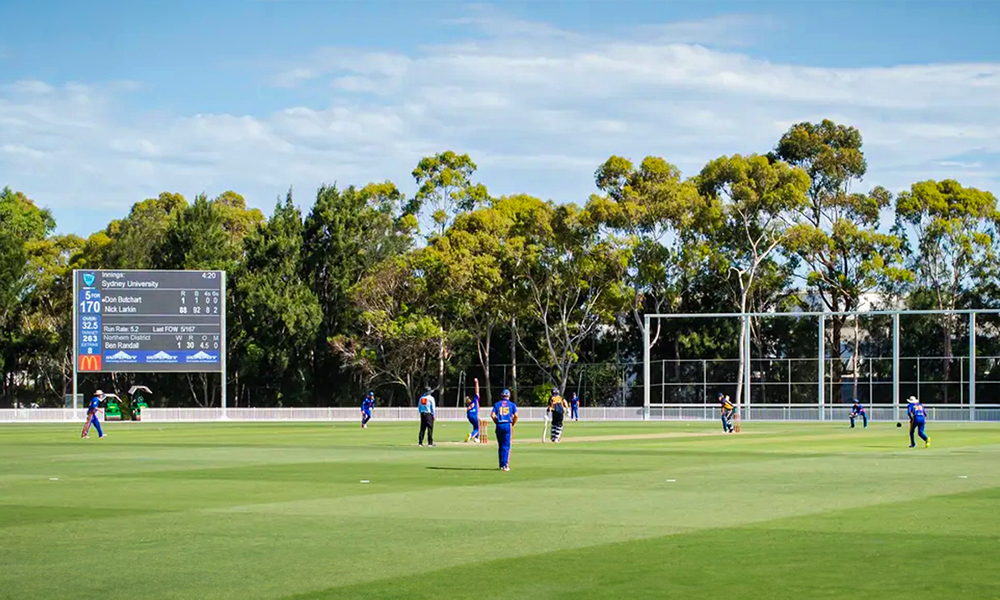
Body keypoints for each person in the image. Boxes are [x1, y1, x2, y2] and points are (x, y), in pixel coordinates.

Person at [491, 388, 518, 471]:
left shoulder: (497, 404)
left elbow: (492, 415)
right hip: (507, 424)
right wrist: (512, 423)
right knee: (506, 445)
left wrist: (496, 422)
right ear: (509, 396)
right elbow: (516, 415)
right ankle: (505, 465)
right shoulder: (512, 405)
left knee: (501, 445)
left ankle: (501, 464)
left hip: (499, 424)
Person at [465, 378, 481, 443]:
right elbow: (477, 391)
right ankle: (471, 435)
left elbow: (467, 409)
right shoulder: (475, 399)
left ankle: (476, 438)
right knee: (478, 428)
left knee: (475, 426)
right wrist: (476, 382)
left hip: (469, 416)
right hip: (474, 415)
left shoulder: (468, 404)